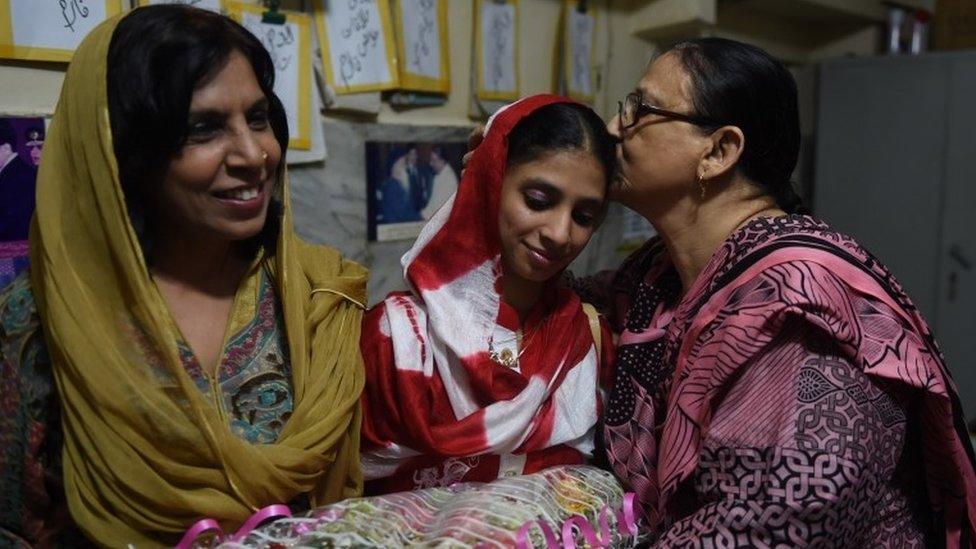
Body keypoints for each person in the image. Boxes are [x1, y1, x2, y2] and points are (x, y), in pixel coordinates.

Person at [564, 37, 976, 546]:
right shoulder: (661, 272)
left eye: (638, 111)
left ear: (718, 151)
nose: (612, 129)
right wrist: (506, 178)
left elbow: (770, 527)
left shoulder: (799, 313)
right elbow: (553, 306)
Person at [0, 5, 366, 547]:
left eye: (259, 118)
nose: (254, 154)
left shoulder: (318, 299)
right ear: (124, 153)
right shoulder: (38, 321)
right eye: (204, 128)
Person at [360, 95, 617, 495]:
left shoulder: (585, 339)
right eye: (538, 201)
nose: (560, 233)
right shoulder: (398, 339)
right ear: (490, 182)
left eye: (583, 217)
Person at [0, 119, 36, 241]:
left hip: (13, 255)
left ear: (5, 148)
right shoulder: (16, 172)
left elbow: (12, 224)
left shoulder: (20, 176)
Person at [419, 146, 459, 220]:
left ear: (442, 161)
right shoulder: (439, 175)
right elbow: (432, 203)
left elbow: (439, 207)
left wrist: (423, 216)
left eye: (434, 160)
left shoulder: (449, 178)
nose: (431, 164)